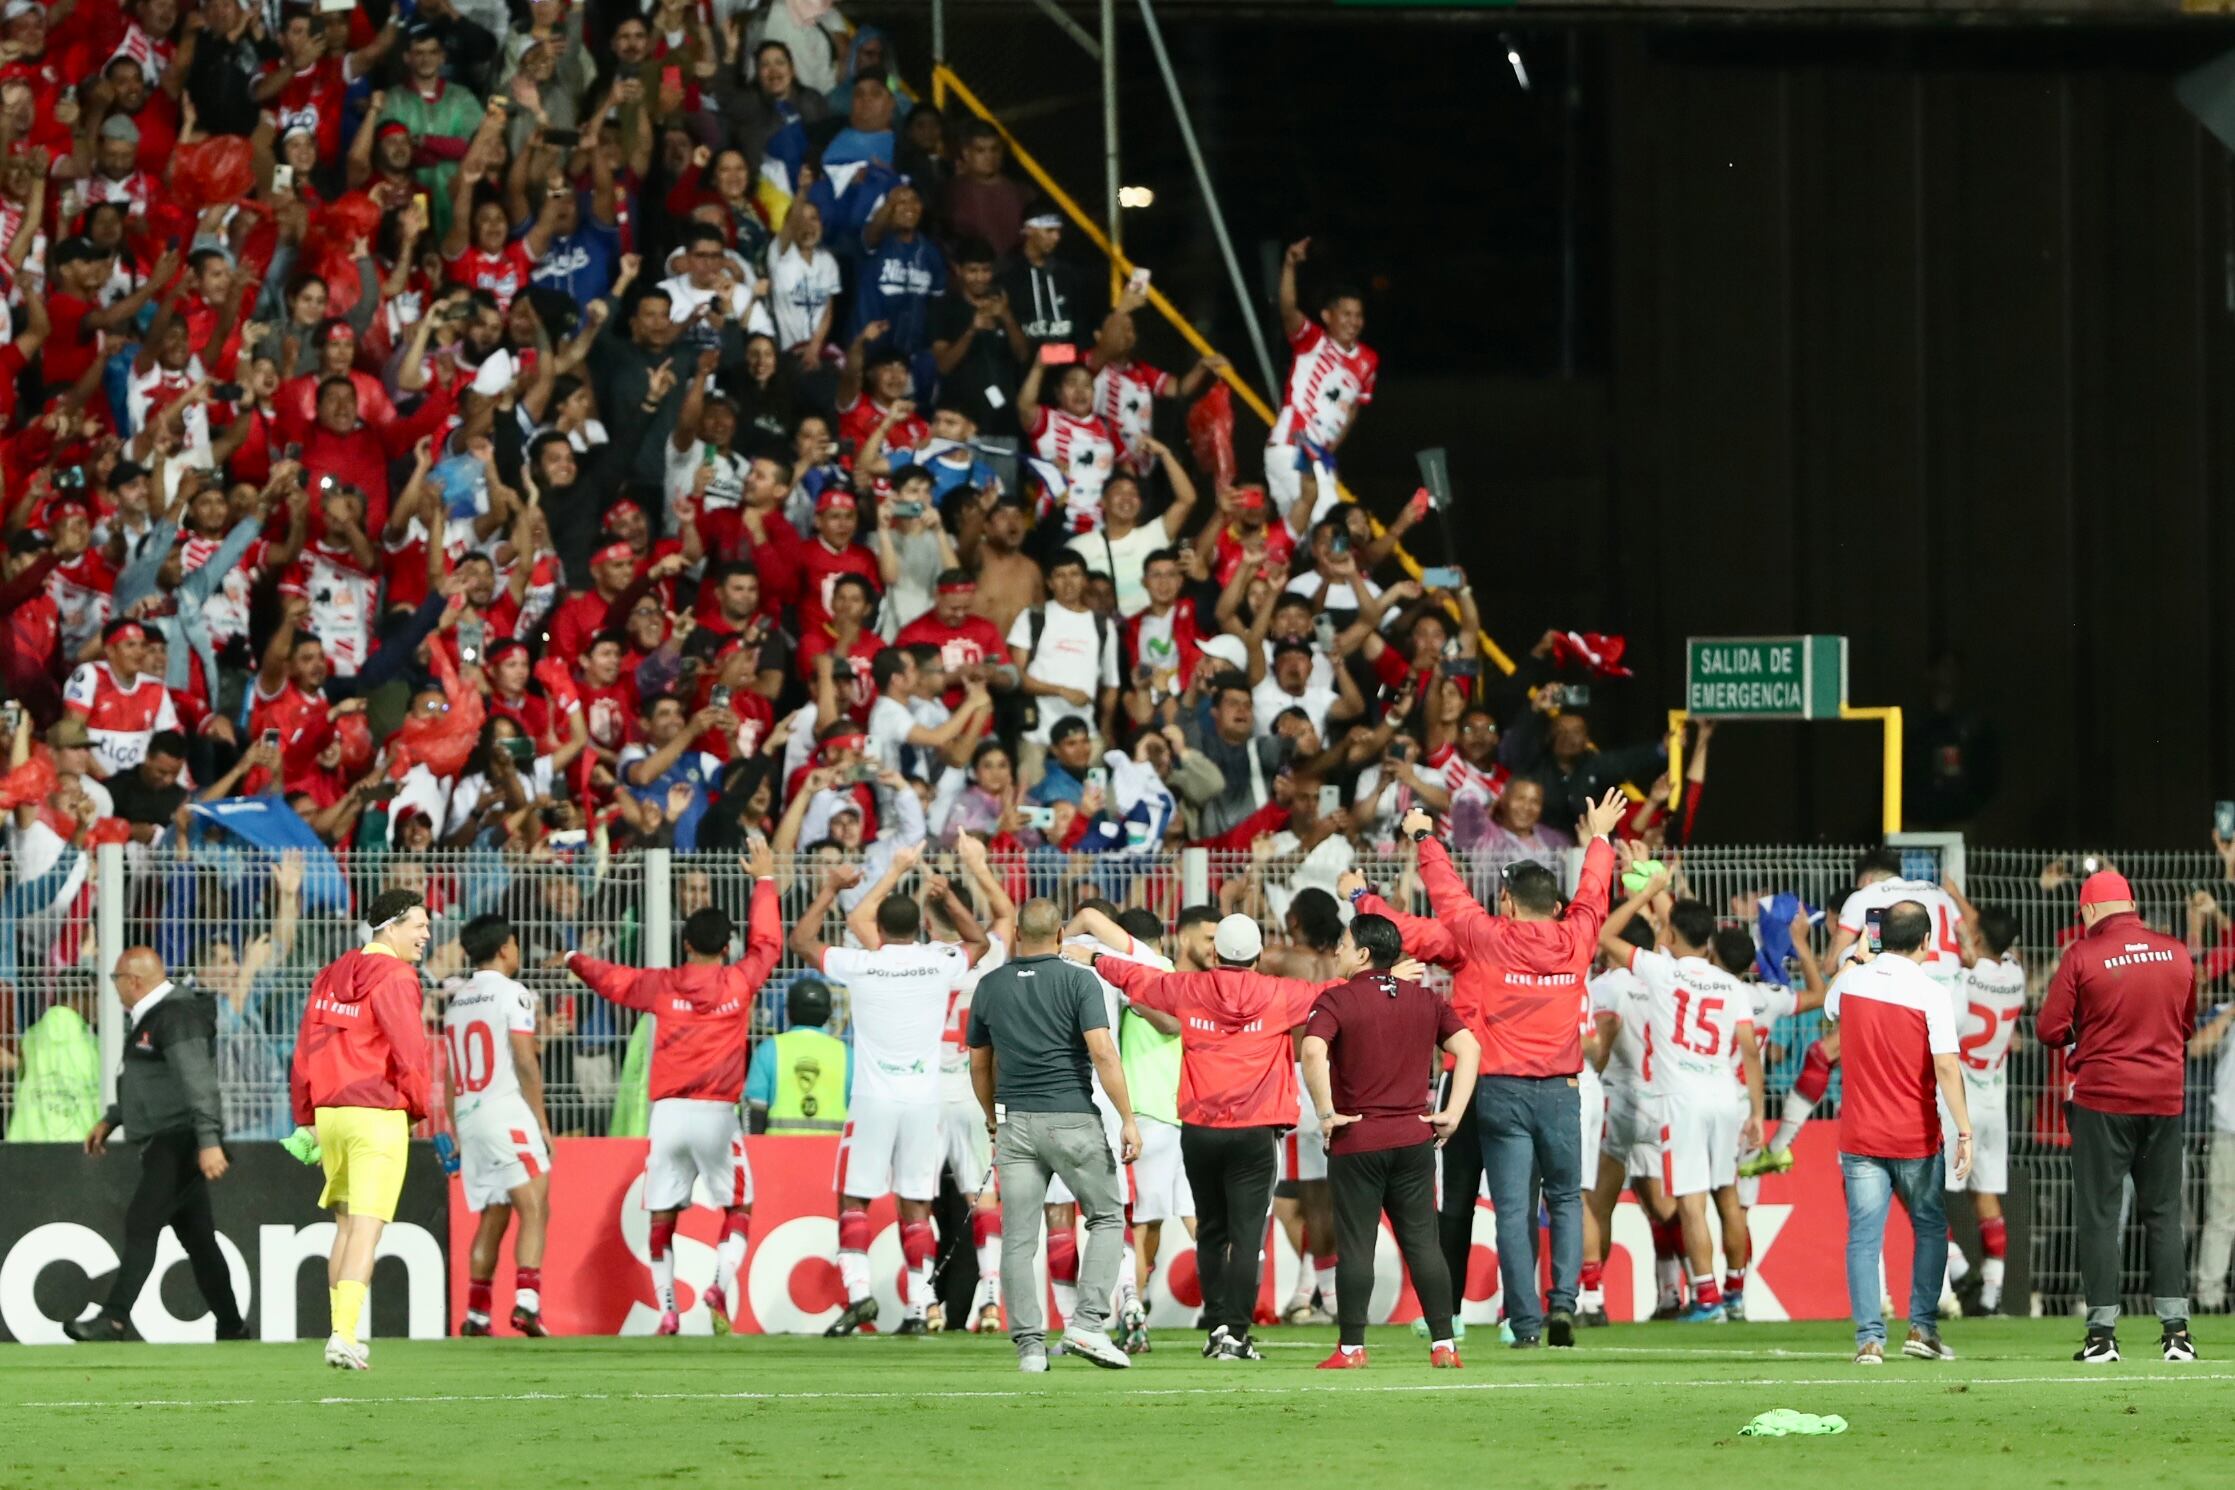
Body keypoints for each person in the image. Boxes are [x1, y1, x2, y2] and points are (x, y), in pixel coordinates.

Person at [1075, 914, 1399, 1361]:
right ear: (1259, 954)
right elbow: (1331, 994)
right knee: (1246, 1236)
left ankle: (1217, 1328)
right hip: (1255, 1131)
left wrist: (1092, 956)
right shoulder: (1280, 994)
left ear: (1215, 953)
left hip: (1201, 1130)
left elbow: (1137, 978)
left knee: (1210, 1231)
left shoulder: (1190, 988)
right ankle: (1235, 1336)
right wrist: (1380, 978)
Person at [1399, 791, 1625, 1348]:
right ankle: (1565, 1305)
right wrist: (1599, 839)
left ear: (1504, 900)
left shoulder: (1488, 938)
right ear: (1555, 905)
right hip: (1562, 1090)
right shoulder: (1577, 937)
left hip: (1500, 1091)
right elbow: (1594, 894)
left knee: (1511, 1211)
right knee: (1567, 1199)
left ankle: (1525, 1325)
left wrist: (1424, 837)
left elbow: (1447, 893)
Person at [564, 838, 782, 1336]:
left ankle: (667, 1311)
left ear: (686, 944)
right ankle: (719, 1285)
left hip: (667, 1115)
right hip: (716, 1114)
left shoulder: (662, 986)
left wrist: (577, 959)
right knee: (740, 1206)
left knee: (663, 1213)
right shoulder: (738, 982)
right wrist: (764, 882)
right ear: (726, 947)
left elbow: (612, 979)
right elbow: (768, 945)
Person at [790, 842, 975, 1336]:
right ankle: (919, 1306)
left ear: (879, 929)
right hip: (923, 1101)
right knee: (915, 1205)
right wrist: (950, 897)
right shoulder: (938, 963)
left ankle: (859, 1295)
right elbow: (977, 942)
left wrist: (831, 887)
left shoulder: (863, 964)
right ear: (917, 928)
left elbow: (802, 939)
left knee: (854, 1199)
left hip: (874, 1101)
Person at [968, 897, 1142, 1372]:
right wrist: (1127, 1118)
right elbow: (1103, 1052)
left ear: (1018, 935)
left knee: (1019, 1239)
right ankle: (1086, 1323)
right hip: (1071, 1119)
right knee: (1107, 1217)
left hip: (1015, 1124)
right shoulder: (1079, 980)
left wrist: (991, 1115)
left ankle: (1028, 1347)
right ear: (1062, 936)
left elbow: (979, 1063)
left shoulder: (989, 986)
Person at [1301, 913, 1479, 1370]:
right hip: (1414, 1136)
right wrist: (1453, 1114)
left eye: (1343, 943)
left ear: (1362, 953)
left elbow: (1313, 1050)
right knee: (1423, 1243)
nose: (1337, 950)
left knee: (1356, 1244)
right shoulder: (1426, 1000)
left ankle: (1352, 1348)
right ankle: (1444, 1343)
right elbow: (1470, 1048)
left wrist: (1325, 1114)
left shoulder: (1337, 1000)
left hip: (1358, 1136)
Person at [2037, 869, 2199, 1364]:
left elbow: (2048, 1029)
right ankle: (2177, 1334)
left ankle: (2102, 1336)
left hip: (2103, 1100)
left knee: (2100, 1217)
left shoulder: (2083, 954)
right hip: (2165, 1100)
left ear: (2088, 911)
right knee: (2164, 1215)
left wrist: (2088, 1036)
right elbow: (2187, 1025)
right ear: (2131, 905)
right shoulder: (2176, 952)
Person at [1598, 887, 1764, 1323]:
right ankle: (1735, 1292)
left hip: (1682, 1100)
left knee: (1691, 1202)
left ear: (1668, 932)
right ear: (1709, 939)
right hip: (1727, 1097)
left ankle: (1706, 1298)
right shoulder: (1731, 984)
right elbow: (1748, 1049)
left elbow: (1605, 934)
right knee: (1728, 1197)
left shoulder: (1661, 970)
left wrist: (1647, 893)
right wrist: (1760, 1111)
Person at [67, 948, 248, 1344]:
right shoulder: (159, 1016)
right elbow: (153, 1083)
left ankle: (113, 1319)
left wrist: (207, 1140)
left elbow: (198, 1083)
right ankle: (233, 1327)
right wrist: (112, 1118)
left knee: (142, 1222)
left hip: (179, 1139)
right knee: (199, 1242)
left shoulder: (175, 1016)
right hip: (175, 1137)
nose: (113, 989)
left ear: (134, 980)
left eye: (115, 980)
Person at [290, 888, 434, 1371]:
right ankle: (343, 1335)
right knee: (367, 1231)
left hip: (331, 1113)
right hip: (375, 1111)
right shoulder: (397, 976)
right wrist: (416, 1106)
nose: (426, 934)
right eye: (418, 924)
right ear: (390, 927)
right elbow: (410, 1050)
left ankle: (340, 1331)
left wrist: (306, 1115)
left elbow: (305, 1050)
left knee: (347, 1227)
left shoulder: (330, 975)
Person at [1825, 899, 1972, 1366]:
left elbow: (1830, 1002)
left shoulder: (1850, 983)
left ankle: (1870, 1340)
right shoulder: (1931, 992)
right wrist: (1965, 1130)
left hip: (1861, 1135)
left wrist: (1854, 958)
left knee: (1864, 1238)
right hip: (1914, 1135)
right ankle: (1922, 1328)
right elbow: (1947, 1065)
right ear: (1927, 942)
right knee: (1929, 1228)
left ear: (1879, 937)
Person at [444, 914, 555, 1338]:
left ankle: (476, 1313)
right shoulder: (514, 993)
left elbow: (452, 1077)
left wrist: (458, 1131)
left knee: (496, 1211)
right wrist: (541, 1124)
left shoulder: (457, 1001)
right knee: (536, 1205)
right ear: (507, 947)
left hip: (471, 1116)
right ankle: (527, 1303)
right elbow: (525, 1061)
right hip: (505, 1110)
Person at [1940, 904, 2024, 1316]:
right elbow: (1993, 940)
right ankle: (1992, 1296)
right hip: (1995, 1103)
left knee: (1931, 1194)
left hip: (1960, 1101)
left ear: (1976, 939)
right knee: (1987, 1196)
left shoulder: (1965, 976)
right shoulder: (2017, 975)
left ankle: (1952, 1269)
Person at [747, 977, 852, 1135]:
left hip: (777, 1151)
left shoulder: (768, 1050)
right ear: (829, 1012)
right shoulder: (847, 1055)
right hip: (833, 1151)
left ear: (789, 1010)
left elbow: (755, 1110)